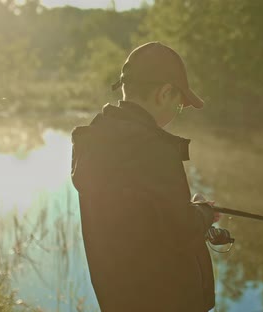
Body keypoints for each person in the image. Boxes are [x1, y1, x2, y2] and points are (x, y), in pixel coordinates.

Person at [70, 42, 218, 311]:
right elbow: (180, 228)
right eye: (180, 104)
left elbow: (144, 219)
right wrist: (204, 213)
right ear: (165, 93)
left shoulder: (93, 139)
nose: (177, 112)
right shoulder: (154, 151)